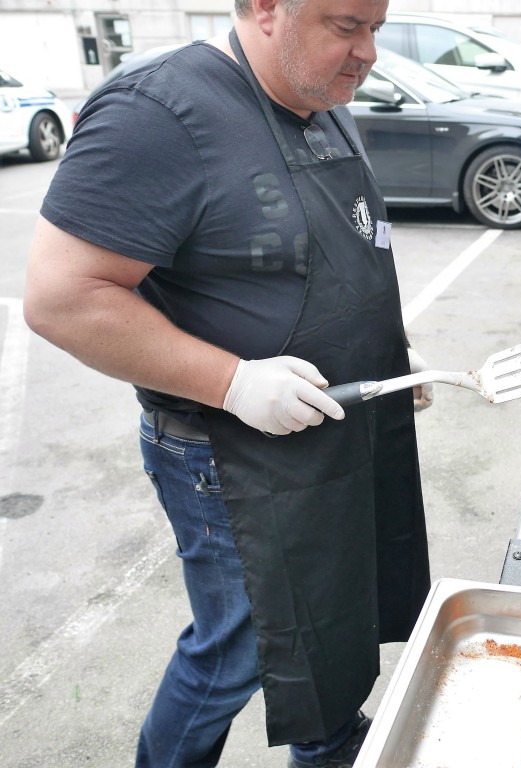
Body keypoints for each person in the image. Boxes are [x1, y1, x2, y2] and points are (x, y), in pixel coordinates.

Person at [23, 0, 433, 765]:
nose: (369, 51)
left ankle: (330, 743)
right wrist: (233, 381)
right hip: (226, 457)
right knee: (238, 651)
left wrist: (388, 347)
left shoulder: (322, 98)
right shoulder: (160, 112)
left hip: (338, 427)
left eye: (376, 26)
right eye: (346, 25)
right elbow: (61, 297)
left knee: (333, 613)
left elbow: (335, 246)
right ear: (266, 7)